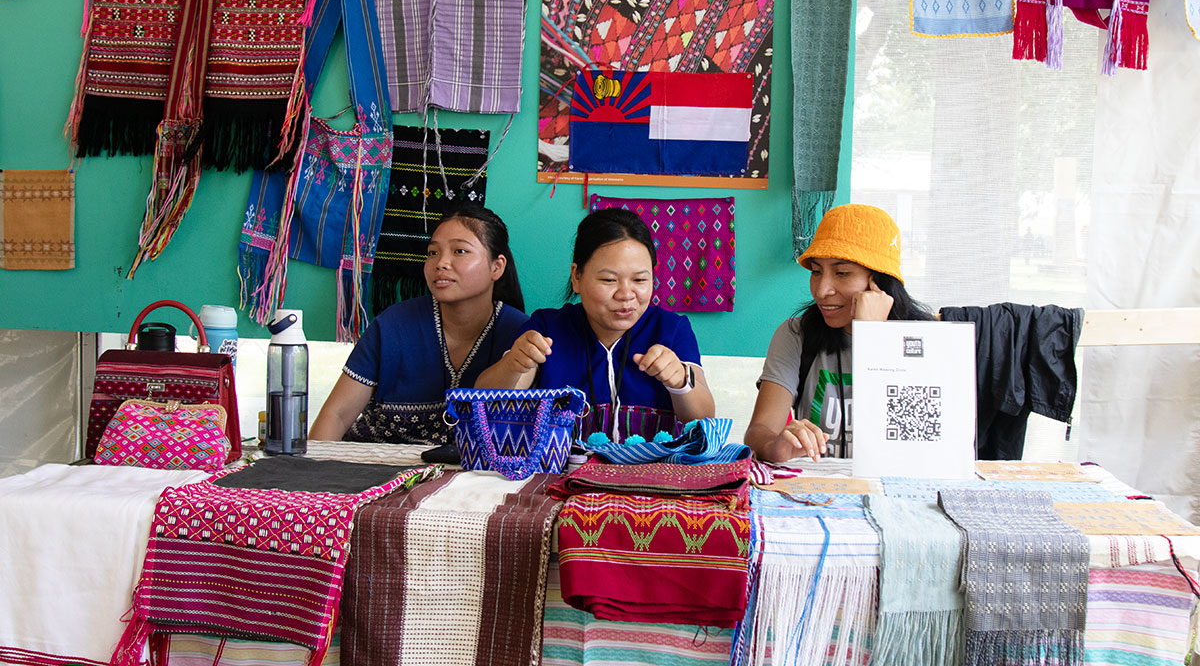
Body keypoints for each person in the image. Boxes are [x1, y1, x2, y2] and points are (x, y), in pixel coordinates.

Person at [476, 207, 715, 441]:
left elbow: (704, 417)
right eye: (609, 279)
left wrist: (680, 381)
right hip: (562, 474)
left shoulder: (671, 329)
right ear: (577, 277)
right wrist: (513, 364)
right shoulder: (547, 328)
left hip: (652, 476)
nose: (626, 294)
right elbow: (483, 408)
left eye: (640, 279)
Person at [309, 204, 528, 444]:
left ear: (496, 267)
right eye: (433, 253)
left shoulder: (521, 335)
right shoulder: (392, 326)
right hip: (375, 469)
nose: (441, 263)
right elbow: (336, 416)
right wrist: (314, 474)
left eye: (460, 251)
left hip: (471, 477)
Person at [744, 204, 933, 462]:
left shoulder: (924, 343)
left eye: (842, 273)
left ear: (880, 282)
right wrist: (776, 446)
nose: (822, 291)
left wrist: (872, 338)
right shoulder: (795, 334)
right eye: (816, 271)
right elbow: (759, 432)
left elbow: (920, 448)